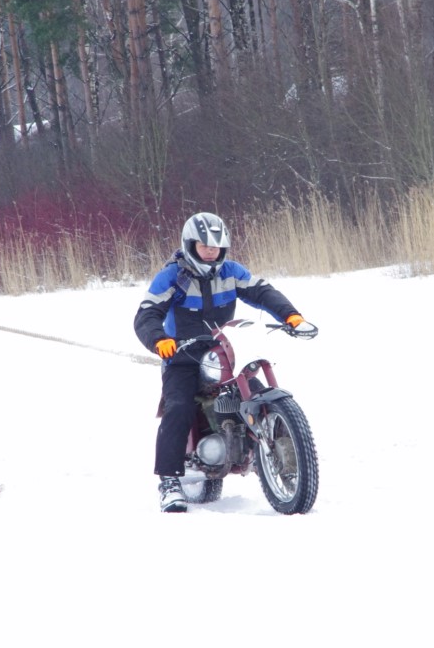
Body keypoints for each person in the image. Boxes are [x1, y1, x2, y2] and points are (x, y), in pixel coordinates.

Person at [134, 212, 316, 512]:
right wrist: (159, 339)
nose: (211, 251)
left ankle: (276, 455)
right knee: (178, 406)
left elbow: (262, 292)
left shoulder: (231, 271)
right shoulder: (172, 276)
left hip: (225, 350)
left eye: (216, 247)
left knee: (255, 391)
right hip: (182, 356)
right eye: (204, 246)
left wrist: (291, 316)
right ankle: (169, 481)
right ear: (190, 245)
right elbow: (147, 312)